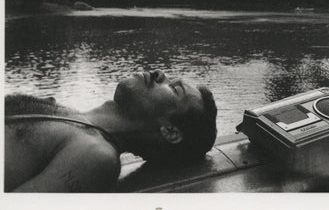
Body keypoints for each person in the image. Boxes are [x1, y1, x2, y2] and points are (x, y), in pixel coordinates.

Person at [5, 70, 217, 192]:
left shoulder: (97, 157)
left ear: (170, 131)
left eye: (174, 88)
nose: (160, 73)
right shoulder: (74, 117)